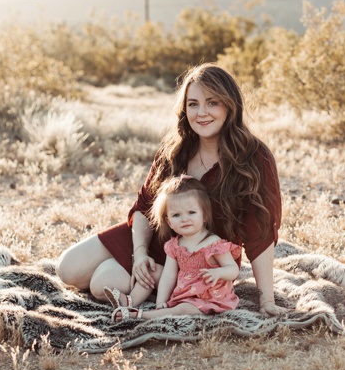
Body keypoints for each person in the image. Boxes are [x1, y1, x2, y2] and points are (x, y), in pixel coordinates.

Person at [56, 63, 288, 317]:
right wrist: (140, 255)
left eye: (212, 103)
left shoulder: (255, 157)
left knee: (100, 284)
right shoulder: (175, 148)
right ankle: (145, 274)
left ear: (230, 105)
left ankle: (164, 284)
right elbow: (145, 206)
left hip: (197, 259)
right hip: (154, 240)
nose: (201, 113)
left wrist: (266, 299)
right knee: (67, 269)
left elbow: (261, 231)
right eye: (193, 104)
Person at [110, 176, 241, 320]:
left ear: (205, 215)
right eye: (176, 215)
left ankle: (141, 316)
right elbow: (168, 276)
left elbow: (233, 270)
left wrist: (219, 273)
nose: (184, 219)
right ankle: (130, 301)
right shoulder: (174, 245)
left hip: (208, 297)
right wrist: (161, 301)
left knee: (184, 309)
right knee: (153, 270)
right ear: (169, 222)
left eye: (191, 212)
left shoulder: (213, 243)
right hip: (183, 289)